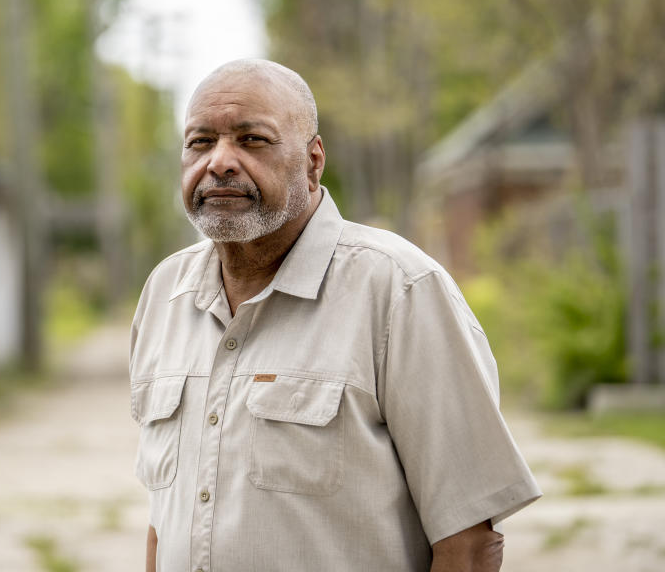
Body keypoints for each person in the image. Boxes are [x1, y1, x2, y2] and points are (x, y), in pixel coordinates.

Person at [128, 59, 541, 572]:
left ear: (313, 160)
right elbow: (166, 523)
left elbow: (470, 542)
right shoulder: (165, 293)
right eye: (200, 141)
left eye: (252, 139)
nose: (220, 162)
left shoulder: (398, 290)